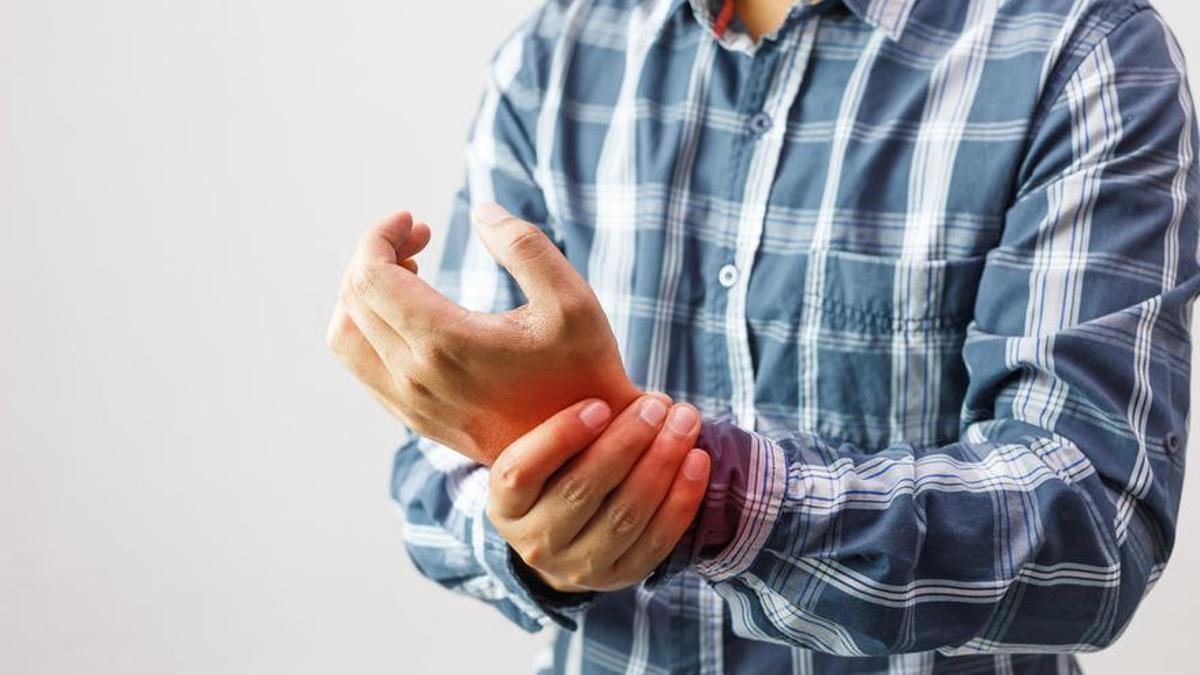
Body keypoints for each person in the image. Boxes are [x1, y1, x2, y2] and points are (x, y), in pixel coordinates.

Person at [327, 0, 1199, 672]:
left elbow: (1092, 520)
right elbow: (434, 487)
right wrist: (530, 517)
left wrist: (707, 498)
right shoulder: (554, 56)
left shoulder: (1084, 53)